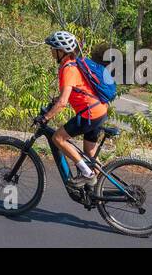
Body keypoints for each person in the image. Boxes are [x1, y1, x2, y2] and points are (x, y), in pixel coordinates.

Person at [38, 30, 108, 193]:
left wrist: (46, 117)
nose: (51, 52)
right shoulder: (73, 65)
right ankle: (97, 192)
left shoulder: (68, 69)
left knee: (58, 137)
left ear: (61, 51)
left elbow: (63, 103)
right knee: (90, 155)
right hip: (99, 111)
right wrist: (54, 102)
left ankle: (87, 174)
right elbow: (70, 94)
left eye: (53, 48)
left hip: (89, 114)